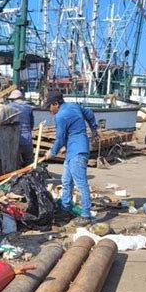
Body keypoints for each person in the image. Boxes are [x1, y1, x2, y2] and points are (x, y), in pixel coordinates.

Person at [43, 90, 98, 227]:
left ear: (56, 104)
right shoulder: (73, 105)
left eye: (50, 106)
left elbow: (60, 138)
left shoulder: (60, 116)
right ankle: (65, 208)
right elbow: (90, 114)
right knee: (66, 181)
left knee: (81, 184)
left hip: (77, 152)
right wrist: (94, 130)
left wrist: (52, 152)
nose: (49, 110)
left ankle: (86, 215)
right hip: (74, 149)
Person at [8, 88, 35, 167]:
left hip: (15, 140)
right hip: (28, 139)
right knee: (29, 163)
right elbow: (31, 124)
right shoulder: (28, 107)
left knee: (15, 164)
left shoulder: (9, 107)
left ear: (13, 99)